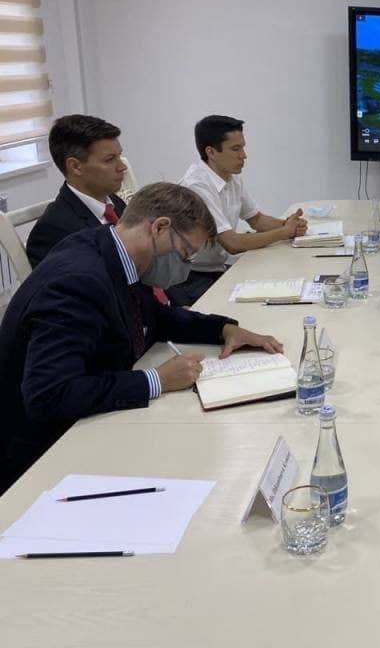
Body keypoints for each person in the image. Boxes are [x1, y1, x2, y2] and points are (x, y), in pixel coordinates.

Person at [0, 183, 284, 493]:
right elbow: (48, 394)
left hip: (89, 420)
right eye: (186, 254)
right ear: (160, 227)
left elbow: (154, 317)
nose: (186, 267)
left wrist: (223, 329)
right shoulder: (77, 282)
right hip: (40, 454)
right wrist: (156, 380)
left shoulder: (113, 250)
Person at [174, 115, 307, 306]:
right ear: (211, 152)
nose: (244, 155)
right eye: (236, 149)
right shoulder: (197, 186)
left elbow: (256, 219)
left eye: (243, 147)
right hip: (189, 278)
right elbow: (232, 243)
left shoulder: (231, 177)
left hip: (216, 269)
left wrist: (290, 225)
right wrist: (285, 232)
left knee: (276, 279)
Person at [26, 115, 128, 268]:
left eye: (119, 156)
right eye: (109, 160)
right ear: (75, 166)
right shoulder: (52, 231)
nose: (122, 167)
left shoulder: (115, 203)